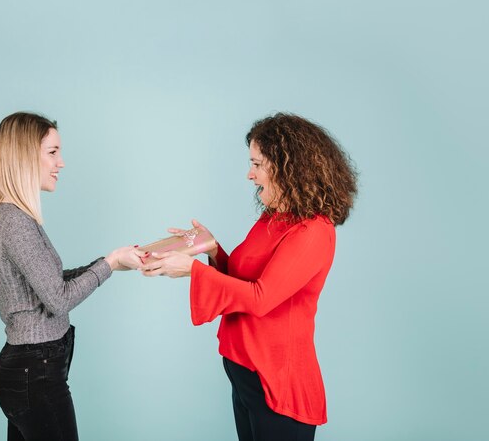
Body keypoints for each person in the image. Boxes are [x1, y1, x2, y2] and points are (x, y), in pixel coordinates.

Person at [143, 113, 358, 441]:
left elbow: (261, 298)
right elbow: (243, 279)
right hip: (245, 372)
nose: (250, 174)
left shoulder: (313, 232)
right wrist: (212, 250)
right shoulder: (275, 217)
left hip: (277, 383)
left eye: (257, 164)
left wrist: (193, 271)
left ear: (288, 167)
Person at [0, 112, 144, 441]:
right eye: (53, 152)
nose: (61, 163)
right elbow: (58, 299)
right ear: (26, 155)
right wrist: (109, 265)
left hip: (31, 369)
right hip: (35, 372)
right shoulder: (15, 221)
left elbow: (49, 283)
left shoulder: (14, 216)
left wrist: (108, 262)